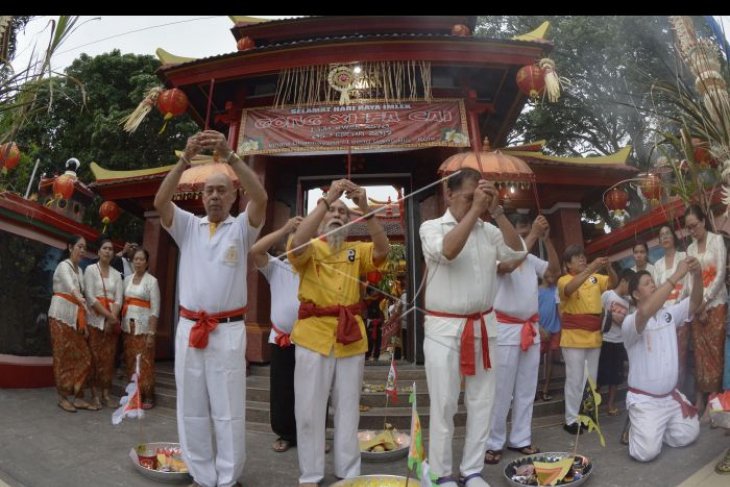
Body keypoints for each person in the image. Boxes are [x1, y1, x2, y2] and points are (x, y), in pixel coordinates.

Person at [154, 129, 267, 487]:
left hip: (228, 332)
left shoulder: (242, 229)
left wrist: (231, 157)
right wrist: (184, 159)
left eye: (222, 190)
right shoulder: (188, 226)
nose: (215, 195)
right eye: (209, 190)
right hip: (190, 331)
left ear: (235, 196)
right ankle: (203, 477)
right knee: (191, 409)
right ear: (201, 196)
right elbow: (160, 203)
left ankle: (228, 479)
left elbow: (262, 198)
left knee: (228, 410)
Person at [419, 168, 525, 487]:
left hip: (484, 325)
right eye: (468, 196)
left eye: (481, 195)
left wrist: (497, 212)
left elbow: (517, 253)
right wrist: (476, 210)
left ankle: (472, 471)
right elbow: (448, 252)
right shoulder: (431, 227)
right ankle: (441, 473)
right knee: (444, 402)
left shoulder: (489, 231)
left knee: (482, 402)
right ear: (449, 194)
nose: (475, 201)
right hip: (442, 328)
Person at [288, 179, 388, 487]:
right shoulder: (309, 246)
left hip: (350, 338)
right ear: (319, 216)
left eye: (343, 213)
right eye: (332, 211)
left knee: (348, 411)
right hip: (311, 337)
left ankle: (348, 473)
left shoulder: (356, 250)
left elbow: (384, 250)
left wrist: (366, 209)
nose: (337, 215)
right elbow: (297, 245)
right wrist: (326, 200)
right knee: (308, 411)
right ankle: (311, 476)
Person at [484, 213, 559, 465]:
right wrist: (533, 235)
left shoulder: (532, 260)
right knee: (502, 390)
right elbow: (511, 260)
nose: (523, 235)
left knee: (527, 389)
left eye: (527, 230)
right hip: (505, 329)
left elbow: (555, 273)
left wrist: (547, 241)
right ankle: (493, 443)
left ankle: (520, 439)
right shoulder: (497, 253)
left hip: (530, 328)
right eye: (519, 231)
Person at [623, 258, 703, 462]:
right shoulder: (631, 321)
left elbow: (695, 302)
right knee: (645, 454)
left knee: (689, 434)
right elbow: (646, 311)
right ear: (635, 294)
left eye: (653, 281)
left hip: (669, 397)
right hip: (645, 401)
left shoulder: (667, 314)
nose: (653, 284)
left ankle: (658, 428)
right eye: (647, 283)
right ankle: (638, 427)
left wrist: (697, 274)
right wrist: (677, 275)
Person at [250, 216, 303, 453]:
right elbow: (255, 250)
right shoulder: (275, 266)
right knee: (282, 389)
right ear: (286, 245)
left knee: (312, 389)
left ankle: (313, 436)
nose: (297, 245)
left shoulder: (315, 267)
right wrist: (285, 227)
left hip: (311, 339)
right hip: (281, 338)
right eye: (293, 241)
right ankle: (284, 433)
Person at [558, 245, 617, 434]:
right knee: (575, 379)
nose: (582, 259)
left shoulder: (595, 278)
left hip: (593, 336)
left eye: (583, 256)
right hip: (573, 337)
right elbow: (570, 289)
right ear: (568, 264)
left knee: (590, 379)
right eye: (576, 258)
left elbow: (613, 284)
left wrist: (608, 268)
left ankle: (587, 416)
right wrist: (591, 267)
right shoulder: (563, 280)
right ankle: (571, 419)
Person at [684, 205, 727, 417]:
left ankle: (714, 400)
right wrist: (695, 305)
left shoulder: (716, 240)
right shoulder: (690, 250)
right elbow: (691, 280)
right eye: (688, 228)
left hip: (716, 303)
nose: (692, 231)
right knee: (700, 354)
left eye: (694, 226)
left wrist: (705, 302)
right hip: (697, 308)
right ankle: (700, 399)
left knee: (714, 353)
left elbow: (719, 275)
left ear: (702, 221)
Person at [48, 235, 96, 412]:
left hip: (75, 317)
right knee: (62, 356)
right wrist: (82, 301)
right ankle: (62, 397)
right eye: (79, 247)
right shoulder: (63, 266)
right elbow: (71, 287)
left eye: (84, 247)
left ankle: (77, 396)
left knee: (84, 356)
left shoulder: (80, 271)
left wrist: (97, 310)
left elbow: (87, 294)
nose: (82, 250)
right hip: (59, 315)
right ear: (70, 247)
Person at [84, 236, 123, 409]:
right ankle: (94, 394)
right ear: (98, 251)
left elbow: (119, 299)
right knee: (94, 357)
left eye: (110, 249)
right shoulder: (91, 270)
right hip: (95, 320)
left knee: (108, 359)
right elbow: (91, 297)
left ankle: (106, 394)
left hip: (111, 323)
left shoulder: (117, 274)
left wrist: (111, 319)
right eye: (105, 248)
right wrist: (108, 316)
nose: (108, 251)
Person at [121, 247, 160, 409]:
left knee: (144, 362)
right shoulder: (127, 279)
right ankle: (133, 394)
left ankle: (148, 395)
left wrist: (151, 333)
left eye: (141, 259)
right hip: (128, 328)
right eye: (135, 259)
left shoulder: (152, 281)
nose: (138, 262)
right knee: (130, 360)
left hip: (144, 328)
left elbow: (155, 310)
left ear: (146, 262)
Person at [652, 225, 689, 389]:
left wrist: (678, 306)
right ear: (659, 241)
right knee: (666, 357)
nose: (665, 237)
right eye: (661, 235)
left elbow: (688, 285)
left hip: (681, 313)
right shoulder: (657, 265)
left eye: (668, 233)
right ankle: (669, 392)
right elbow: (655, 292)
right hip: (663, 317)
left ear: (674, 237)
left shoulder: (683, 257)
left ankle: (680, 392)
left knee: (680, 356)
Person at [597, 267, 633, 416]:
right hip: (605, 339)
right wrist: (612, 316)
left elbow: (629, 321)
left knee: (616, 377)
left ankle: (610, 404)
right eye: (629, 285)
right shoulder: (607, 295)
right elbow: (598, 312)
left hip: (619, 342)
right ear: (623, 281)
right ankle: (593, 403)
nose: (630, 289)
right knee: (599, 374)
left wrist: (622, 321)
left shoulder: (628, 302)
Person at [537, 268, 561, 402]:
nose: (552, 274)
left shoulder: (556, 290)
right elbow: (531, 311)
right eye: (549, 272)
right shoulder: (536, 290)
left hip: (554, 329)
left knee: (550, 360)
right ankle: (533, 390)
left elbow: (560, 309)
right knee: (535, 362)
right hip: (538, 330)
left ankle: (545, 389)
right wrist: (539, 328)